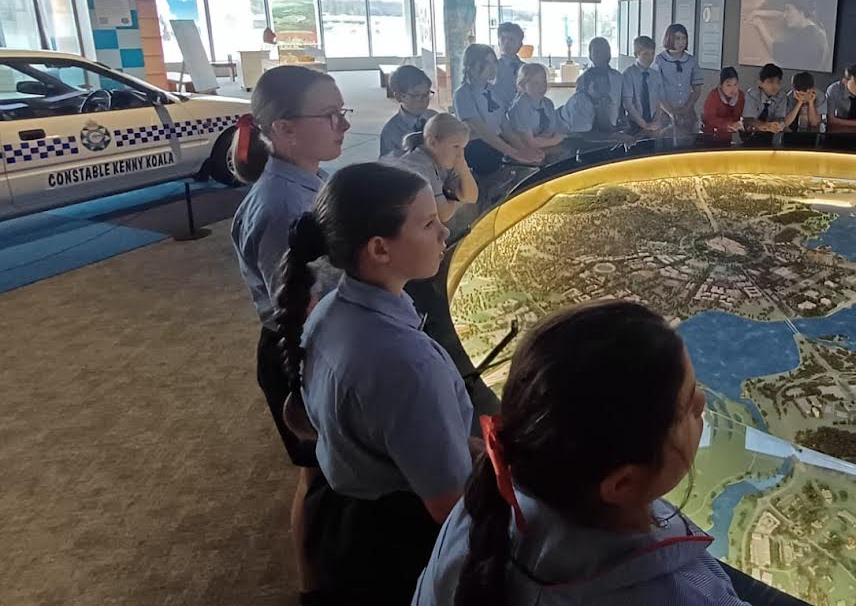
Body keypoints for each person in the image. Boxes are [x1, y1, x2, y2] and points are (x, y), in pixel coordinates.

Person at [413, 301, 748, 606]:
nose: (701, 402)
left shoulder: (479, 510)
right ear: (622, 484)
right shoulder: (687, 595)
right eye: (686, 405)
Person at [277, 162, 474, 604]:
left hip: (343, 518)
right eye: (428, 223)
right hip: (396, 544)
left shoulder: (328, 311)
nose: (444, 231)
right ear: (380, 249)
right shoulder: (408, 364)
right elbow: (450, 505)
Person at [228, 65, 351, 601]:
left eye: (342, 112)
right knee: (317, 478)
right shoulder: (284, 204)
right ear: (284, 129)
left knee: (327, 473)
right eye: (330, 115)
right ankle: (312, 587)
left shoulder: (308, 180)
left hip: (310, 342)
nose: (344, 124)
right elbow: (301, 304)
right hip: (297, 352)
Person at [454, 43, 543, 174]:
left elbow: (505, 126)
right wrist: (516, 154)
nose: (492, 68)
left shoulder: (493, 90)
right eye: (486, 63)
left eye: (494, 62)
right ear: (470, 67)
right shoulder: (463, 94)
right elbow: (482, 131)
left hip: (497, 145)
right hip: (476, 148)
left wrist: (525, 149)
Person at [399, 113, 479, 223]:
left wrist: (463, 168)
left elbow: (472, 197)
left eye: (463, 147)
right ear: (432, 143)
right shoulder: (420, 167)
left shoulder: (443, 160)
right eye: (456, 146)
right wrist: (458, 201)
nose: (460, 154)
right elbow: (442, 214)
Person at [745, 1, 828, 71]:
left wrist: (760, 25)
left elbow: (774, 50)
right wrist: (756, 12)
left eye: (788, 10)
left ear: (801, 12)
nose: (785, 15)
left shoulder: (809, 37)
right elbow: (780, 15)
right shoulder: (812, 22)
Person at [506, 63, 568, 151]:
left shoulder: (548, 104)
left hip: (547, 148)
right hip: (523, 152)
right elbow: (529, 142)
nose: (541, 86)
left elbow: (552, 131)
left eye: (544, 82)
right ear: (523, 85)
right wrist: (554, 141)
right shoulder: (520, 107)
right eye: (536, 83)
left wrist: (546, 139)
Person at [655, 23, 704, 133]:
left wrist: (686, 108)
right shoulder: (660, 60)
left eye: (684, 38)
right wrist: (670, 112)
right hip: (665, 112)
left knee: (689, 139)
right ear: (669, 39)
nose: (681, 42)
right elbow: (657, 91)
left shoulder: (691, 60)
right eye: (677, 38)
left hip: (687, 111)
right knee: (665, 140)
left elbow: (697, 89)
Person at [380, 64, 437, 158]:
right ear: (399, 97)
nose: (424, 100)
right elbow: (388, 163)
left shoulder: (434, 118)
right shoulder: (390, 132)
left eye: (426, 94)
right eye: (416, 95)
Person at [574, 37, 625, 133]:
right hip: (592, 131)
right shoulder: (583, 79)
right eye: (597, 52)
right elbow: (580, 108)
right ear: (590, 56)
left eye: (605, 51)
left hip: (614, 129)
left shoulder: (618, 77)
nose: (601, 55)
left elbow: (620, 103)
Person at [622, 35, 667, 136]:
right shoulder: (629, 74)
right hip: (634, 122)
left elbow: (658, 100)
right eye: (645, 54)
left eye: (652, 53)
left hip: (652, 121)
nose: (650, 58)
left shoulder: (655, 75)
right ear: (636, 54)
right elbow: (628, 103)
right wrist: (643, 124)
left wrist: (656, 120)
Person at [701, 67, 746, 144]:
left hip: (732, 137)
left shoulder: (741, 96)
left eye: (735, 84)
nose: (733, 89)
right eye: (728, 85)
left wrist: (738, 124)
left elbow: (741, 116)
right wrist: (728, 124)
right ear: (721, 85)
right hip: (712, 136)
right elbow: (709, 119)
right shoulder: (713, 96)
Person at [743, 63, 788, 134]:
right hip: (750, 133)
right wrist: (767, 125)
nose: (775, 85)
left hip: (771, 134)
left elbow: (779, 117)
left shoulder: (782, 96)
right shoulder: (752, 94)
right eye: (771, 82)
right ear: (760, 83)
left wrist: (777, 124)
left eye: (778, 82)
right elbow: (748, 119)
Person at [492, 23, 526, 109]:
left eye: (512, 39)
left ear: (520, 44)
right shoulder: (492, 67)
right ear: (498, 42)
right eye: (503, 39)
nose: (506, 43)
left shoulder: (526, 69)